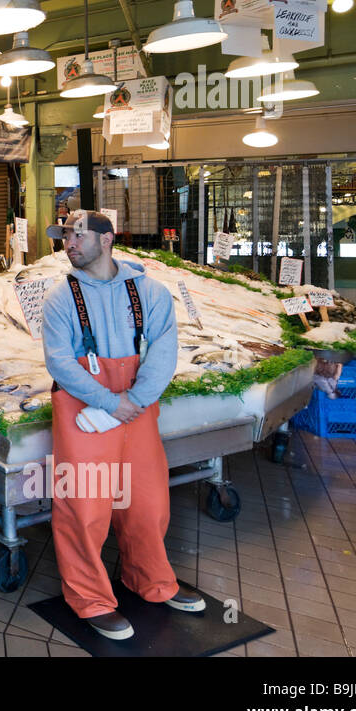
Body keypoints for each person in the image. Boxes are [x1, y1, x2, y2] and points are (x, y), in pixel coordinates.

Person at [42, 209, 202, 642]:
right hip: (83, 411)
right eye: (65, 237)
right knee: (84, 508)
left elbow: (164, 353)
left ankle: (150, 580)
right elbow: (59, 362)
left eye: (78, 235)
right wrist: (112, 403)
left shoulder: (151, 292)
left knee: (148, 503)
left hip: (137, 409)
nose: (69, 244)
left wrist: (136, 400)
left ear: (107, 239)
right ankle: (90, 599)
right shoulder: (60, 297)